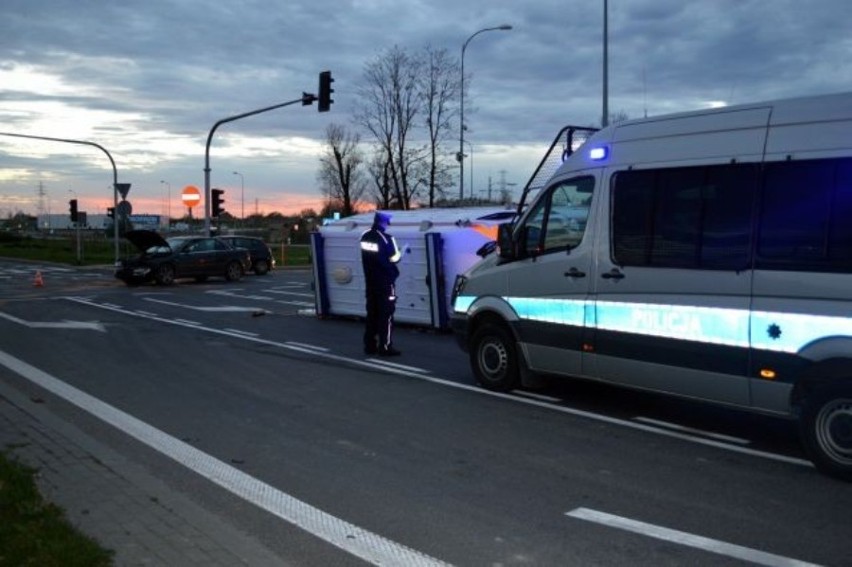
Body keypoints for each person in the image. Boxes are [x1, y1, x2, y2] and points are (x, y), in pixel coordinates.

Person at [360, 211, 404, 356]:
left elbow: (371, 258)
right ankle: (385, 347)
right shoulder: (387, 239)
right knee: (387, 315)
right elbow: (394, 258)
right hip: (385, 282)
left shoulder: (365, 236)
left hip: (370, 282)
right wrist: (401, 252)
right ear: (384, 222)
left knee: (372, 314)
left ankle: (369, 345)